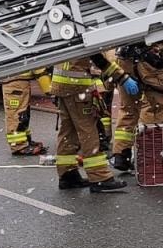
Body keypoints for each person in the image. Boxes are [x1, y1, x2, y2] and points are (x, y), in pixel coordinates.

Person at [49, 54, 127, 193]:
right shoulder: (84, 40)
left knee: (68, 131)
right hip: (78, 88)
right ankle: (100, 177)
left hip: (61, 85)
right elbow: (98, 58)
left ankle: (68, 174)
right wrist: (122, 77)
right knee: (89, 131)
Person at [109, 40, 163, 173]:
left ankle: (121, 155)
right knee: (161, 108)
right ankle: (162, 153)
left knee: (128, 110)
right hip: (151, 65)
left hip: (125, 62)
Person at [1, 67, 48, 157]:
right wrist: (48, 90)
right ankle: (18, 146)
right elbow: (38, 68)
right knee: (17, 115)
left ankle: (25, 141)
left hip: (18, 81)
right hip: (15, 82)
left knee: (23, 114)